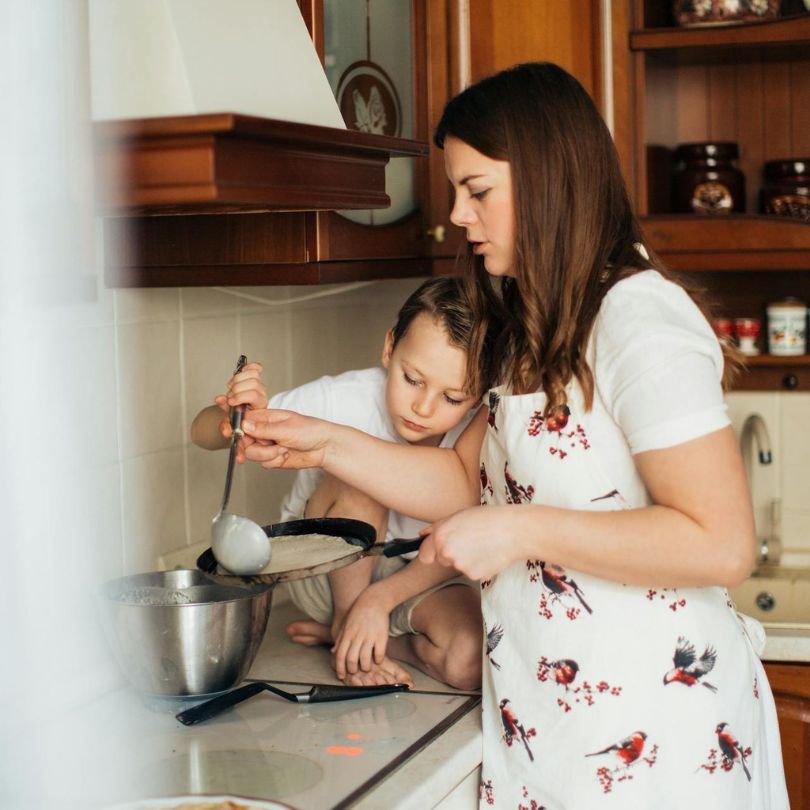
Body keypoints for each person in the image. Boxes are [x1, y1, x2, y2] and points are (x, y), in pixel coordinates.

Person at [235, 63, 789, 807]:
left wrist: (518, 530)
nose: (460, 215)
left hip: (656, 730)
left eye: (478, 191)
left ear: (550, 180)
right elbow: (465, 483)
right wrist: (322, 441)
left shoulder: (637, 321)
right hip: (548, 721)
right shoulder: (530, 325)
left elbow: (719, 544)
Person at [191, 277, 498, 691]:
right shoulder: (344, 398)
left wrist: (380, 600)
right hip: (327, 571)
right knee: (360, 483)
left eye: (453, 398)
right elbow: (201, 431)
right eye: (412, 379)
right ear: (389, 348)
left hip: (423, 574)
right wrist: (237, 417)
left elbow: (466, 535)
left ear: (478, 397)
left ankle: (355, 638)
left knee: (470, 660)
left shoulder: (477, 433)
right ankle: (348, 622)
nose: (423, 408)